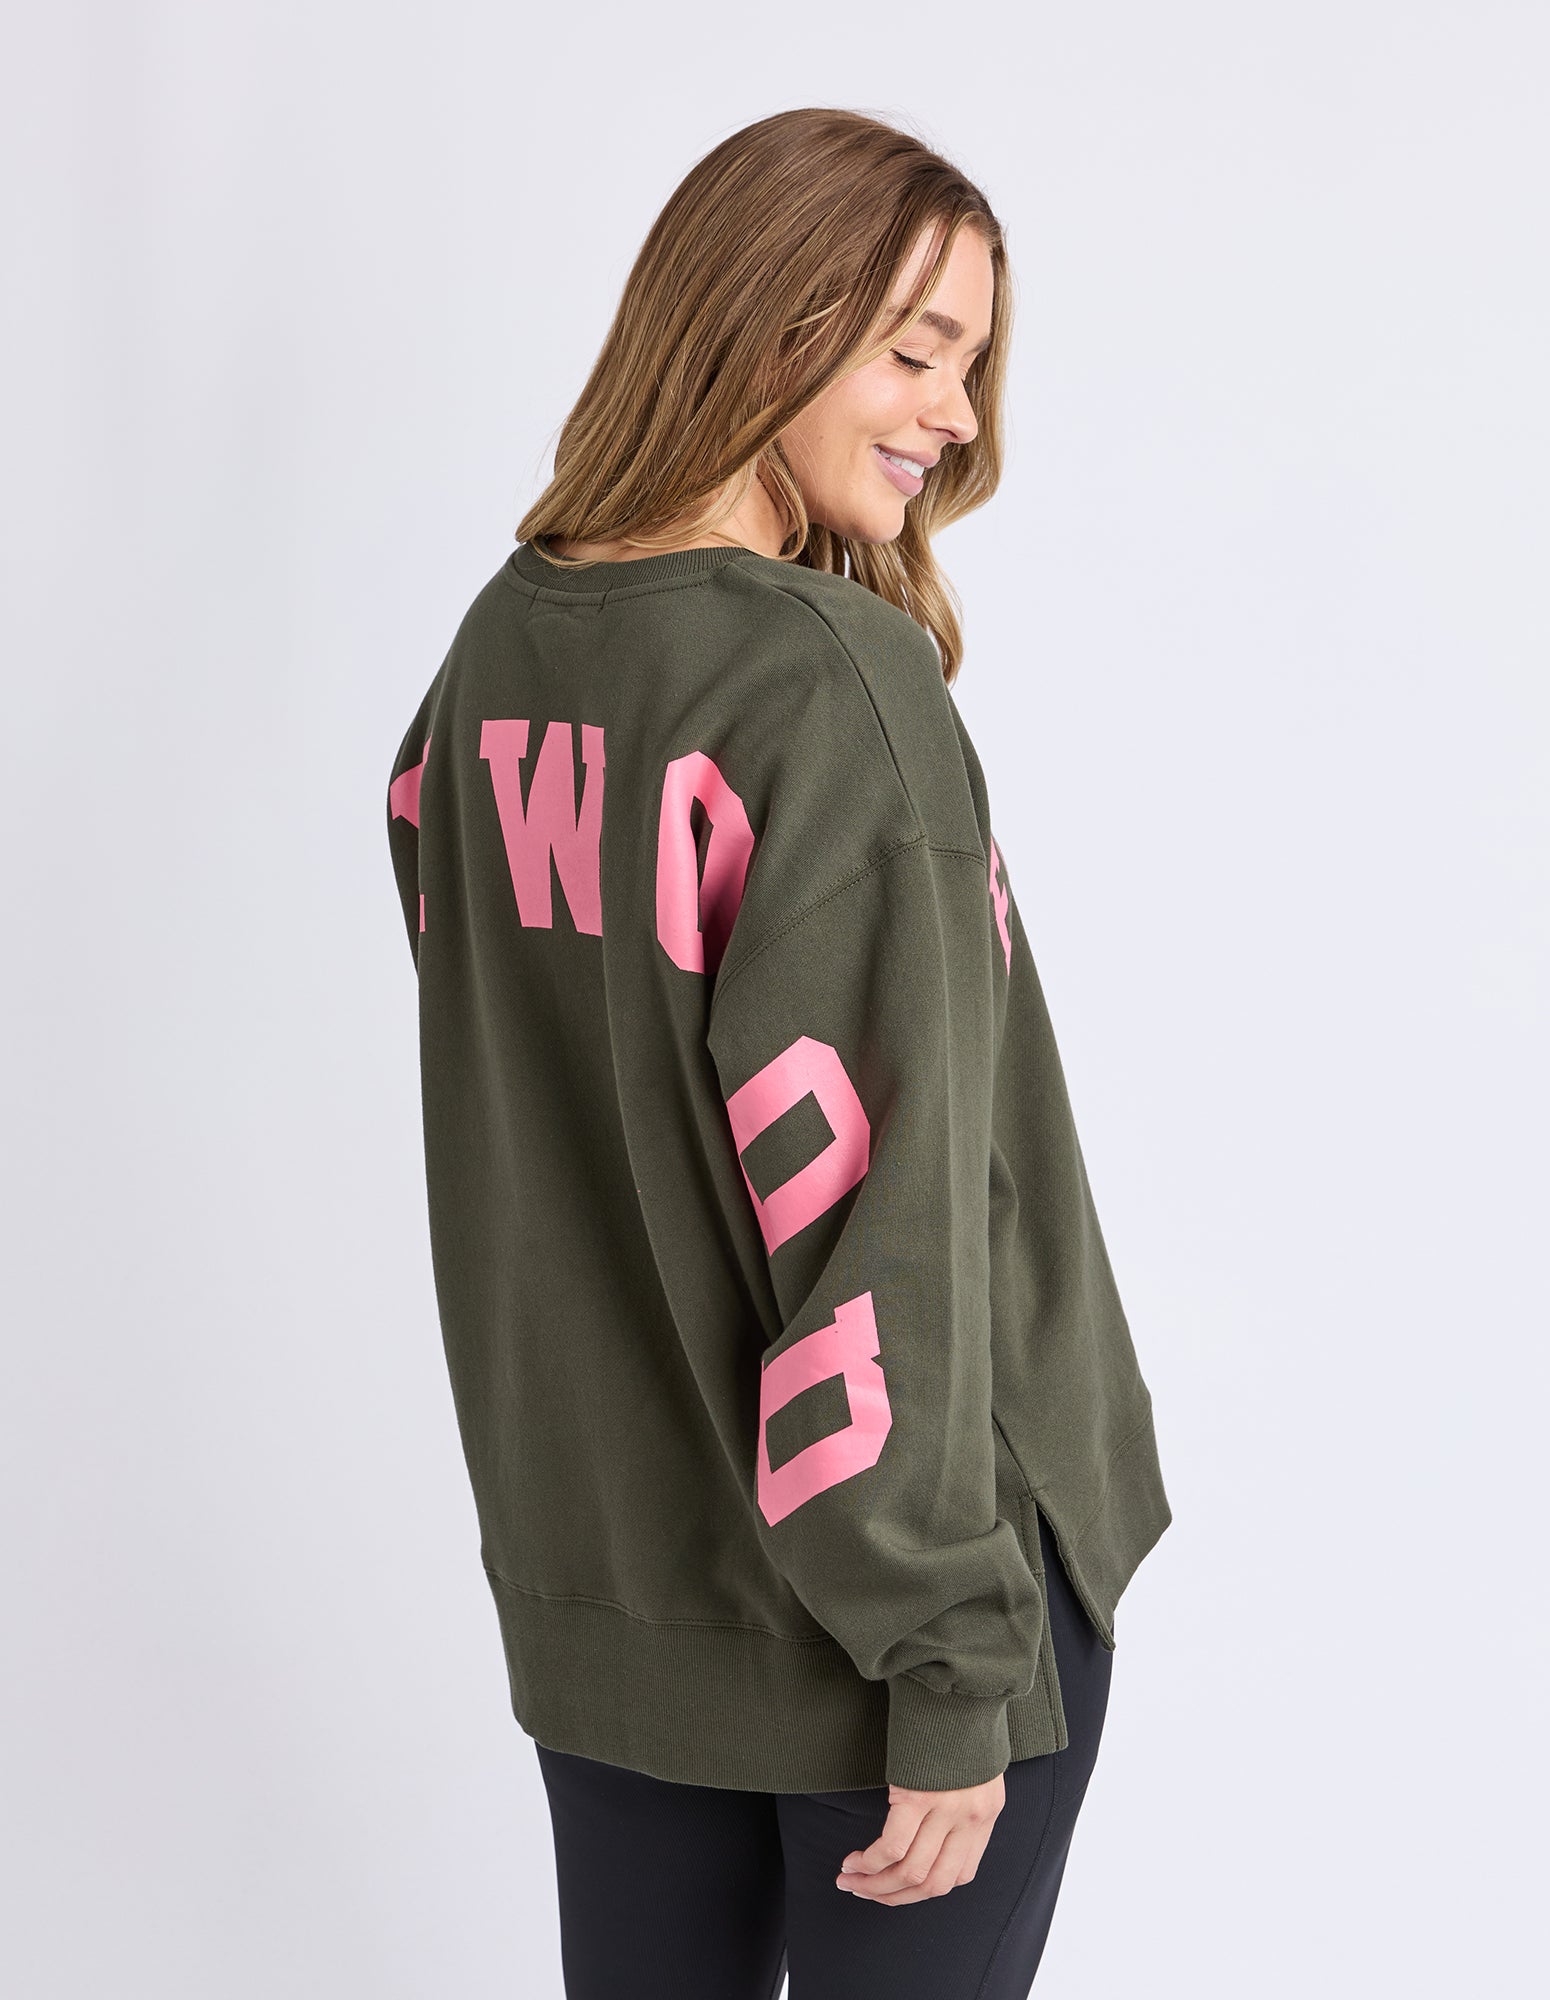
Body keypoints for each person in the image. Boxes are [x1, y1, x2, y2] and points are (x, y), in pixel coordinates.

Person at [385, 106, 1172, 1998]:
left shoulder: (499, 654)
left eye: (971, 365)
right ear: (768, 323)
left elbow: (536, 1108)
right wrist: (954, 1659)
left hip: (622, 1601)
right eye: (916, 353)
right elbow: (886, 1209)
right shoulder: (827, 683)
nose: (956, 416)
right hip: (906, 1618)